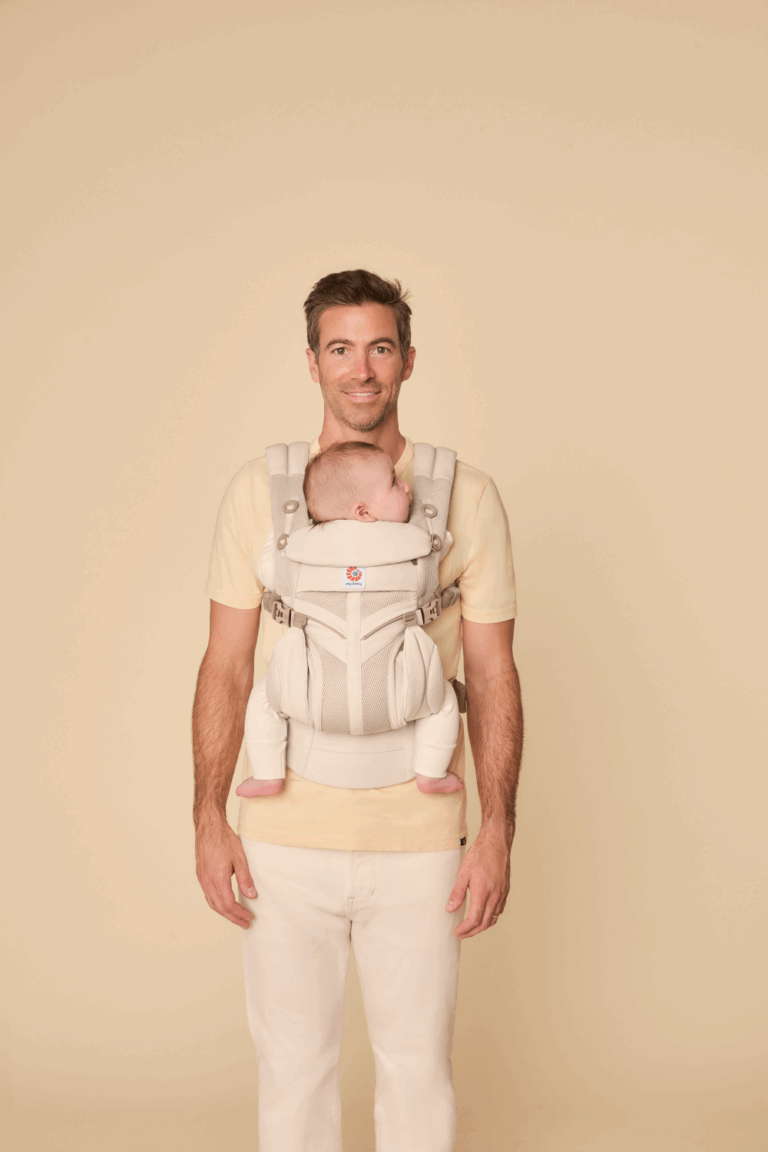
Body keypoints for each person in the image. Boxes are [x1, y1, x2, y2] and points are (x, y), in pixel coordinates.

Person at [193, 269, 523, 1152]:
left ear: (408, 360)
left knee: (417, 1072)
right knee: (292, 1074)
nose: (361, 369)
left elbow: (493, 673)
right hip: (281, 841)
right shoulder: (258, 494)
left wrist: (497, 829)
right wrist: (208, 816)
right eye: (340, 349)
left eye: (380, 347)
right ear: (312, 363)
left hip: (420, 841)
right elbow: (226, 665)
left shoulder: (465, 497)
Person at [236, 438, 464, 799]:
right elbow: (444, 541)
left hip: (312, 699)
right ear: (363, 511)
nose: (406, 486)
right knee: (444, 700)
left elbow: (268, 568)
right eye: (394, 482)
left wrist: (278, 536)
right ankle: (431, 773)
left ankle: (267, 774)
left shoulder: (296, 559)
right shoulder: (418, 553)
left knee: (264, 697)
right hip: (397, 697)